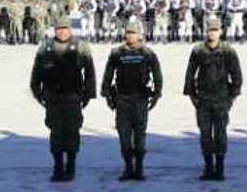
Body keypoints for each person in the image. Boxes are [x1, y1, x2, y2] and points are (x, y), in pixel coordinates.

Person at [29, 16, 96, 182]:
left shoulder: (81, 47)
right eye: (59, 29)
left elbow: (90, 73)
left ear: (70, 30)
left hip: (73, 97)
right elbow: (36, 73)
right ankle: (58, 166)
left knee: (72, 131)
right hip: (53, 98)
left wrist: (88, 95)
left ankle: (71, 166)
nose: (62, 32)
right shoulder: (45, 47)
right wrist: (38, 93)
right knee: (56, 133)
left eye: (65, 29)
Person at [101, 19, 163, 181]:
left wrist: (157, 94)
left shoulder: (147, 53)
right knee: (124, 136)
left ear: (139, 34)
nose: (130, 36)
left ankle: (139, 168)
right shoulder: (117, 53)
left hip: (140, 100)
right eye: (128, 32)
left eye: (133, 33)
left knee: (140, 136)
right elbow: (108, 75)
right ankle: (128, 168)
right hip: (122, 99)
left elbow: (157, 75)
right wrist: (107, 95)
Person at [184, 16, 243, 181]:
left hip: (222, 100)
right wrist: (192, 95)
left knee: (220, 134)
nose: (212, 33)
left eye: (215, 30)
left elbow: (236, 74)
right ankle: (208, 167)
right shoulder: (198, 50)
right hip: (203, 100)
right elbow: (190, 74)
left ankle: (220, 168)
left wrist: (232, 97)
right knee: (205, 134)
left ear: (221, 32)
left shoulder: (227, 50)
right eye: (210, 30)